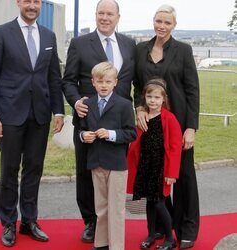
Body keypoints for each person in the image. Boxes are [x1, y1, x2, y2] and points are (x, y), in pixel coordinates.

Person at [0, 0, 64, 247]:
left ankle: (29, 221)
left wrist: (59, 112)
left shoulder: (49, 35)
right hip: (9, 115)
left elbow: (54, 78)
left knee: (34, 169)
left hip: (39, 115)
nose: (32, 5)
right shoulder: (1, 34)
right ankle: (8, 222)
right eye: (27, 1)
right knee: (9, 170)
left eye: (36, 1)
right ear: (18, 3)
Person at [62, 0, 136, 243]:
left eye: (109, 14)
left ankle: (112, 225)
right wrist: (75, 102)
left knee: (115, 173)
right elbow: (68, 80)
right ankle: (91, 222)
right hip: (88, 119)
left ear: (118, 17)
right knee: (86, 172)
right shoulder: (80, 43)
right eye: (100, 13)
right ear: (95, 15)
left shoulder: (128, 44)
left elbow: (132, 80)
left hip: (119, 123)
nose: (105, 17)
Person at [134, 4, 200, 250]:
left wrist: (191, 127)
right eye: (158, 21)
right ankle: (162, 227)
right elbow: (136, 86)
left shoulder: (183, 50)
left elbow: (193, 90)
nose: (162, 26)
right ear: (153, 21)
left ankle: (186, 229)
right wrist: (138, 107)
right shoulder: (140, 49)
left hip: (178, 123)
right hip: (151, 126)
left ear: (174, 25)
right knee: (155, 178)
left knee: (182, 176)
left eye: (167, 23)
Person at [80, 62, 137, 250]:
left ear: (115, 82)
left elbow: (131, 133)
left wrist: (111, 134)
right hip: (96, 162)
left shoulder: (124, 104)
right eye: (100, 81)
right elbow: (80, 128)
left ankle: (116, 246)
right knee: (101, 208)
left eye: (108, 81)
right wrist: (83, 135)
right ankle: (101, 243)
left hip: (117, 164)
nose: (104, 85)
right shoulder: (86, 104)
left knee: (116, 209)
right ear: (93, 82)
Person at [127, 79, 182, 250]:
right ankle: (151, 234)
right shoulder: (142, 117)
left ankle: (169, 238)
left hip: (161, 168)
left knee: (159, 203)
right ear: (144, 98)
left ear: (163, 99)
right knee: (149, 203)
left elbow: (174, 148)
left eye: (157, 97)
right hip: (145, 165)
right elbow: (135, 141)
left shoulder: (169, 119)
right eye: (149, 96)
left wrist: (172, 173)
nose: (152, 100)